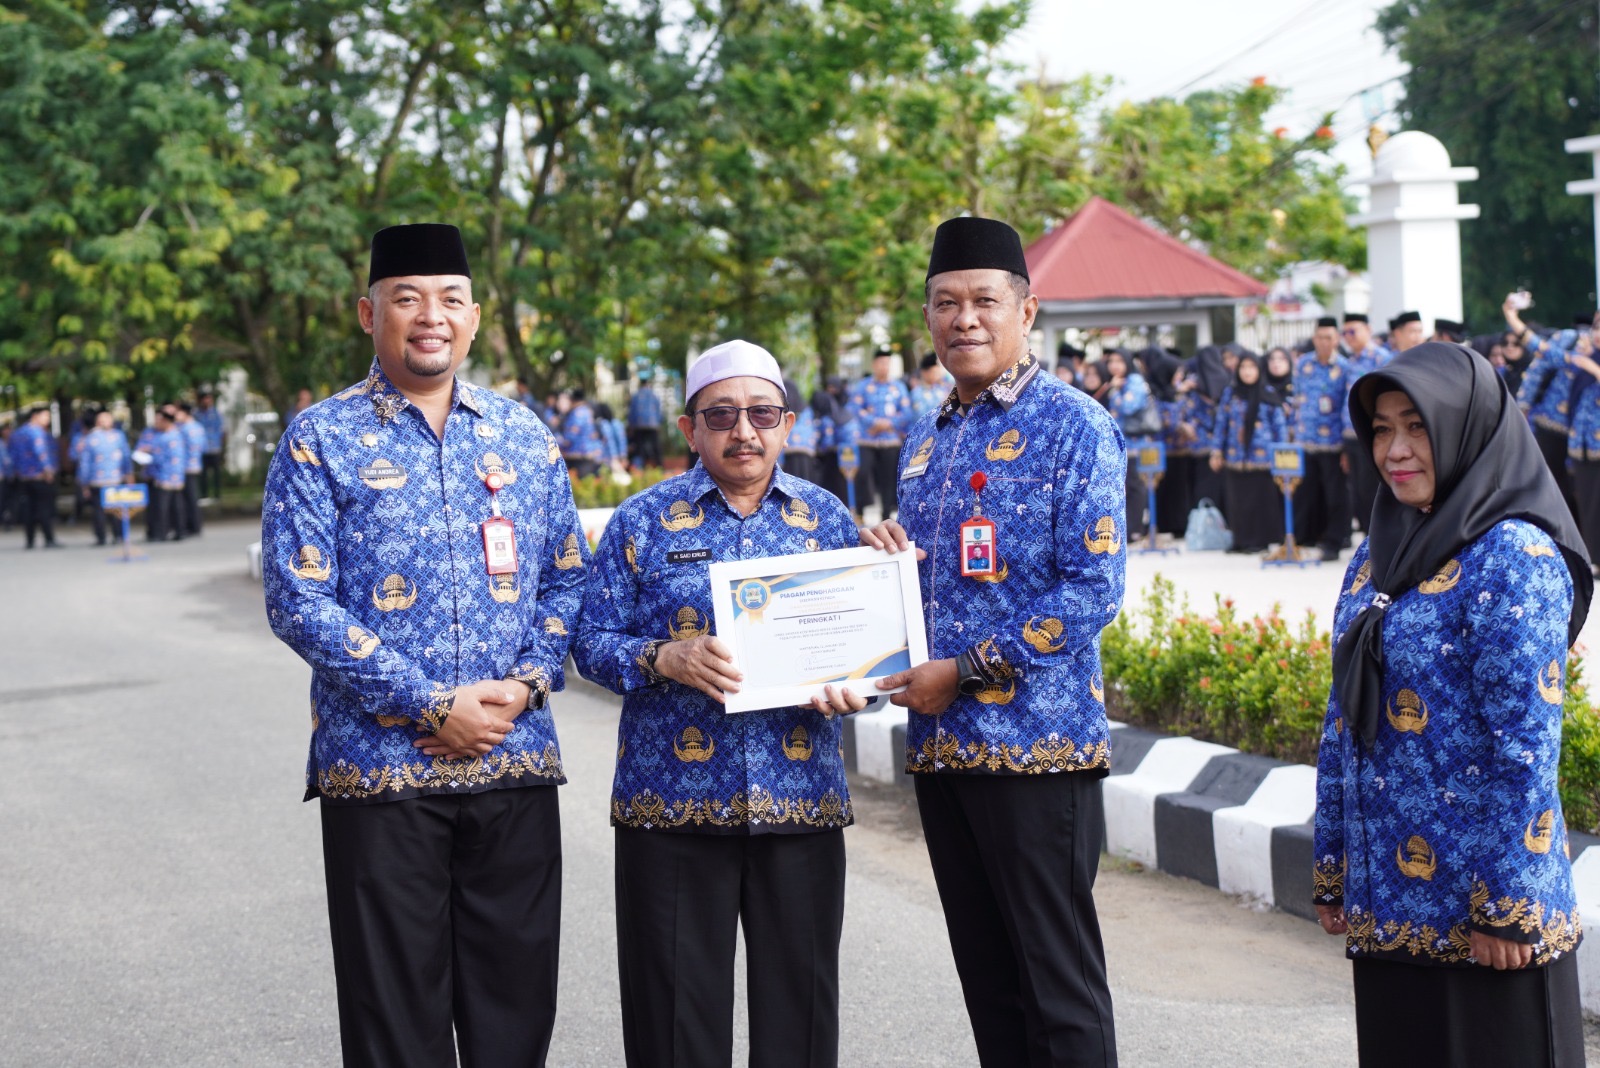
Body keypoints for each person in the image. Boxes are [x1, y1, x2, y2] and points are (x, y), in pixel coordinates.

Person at [261, 223, 587, 1068]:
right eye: (407, 298)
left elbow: (567, 580)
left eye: (449, 299)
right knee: (393, 1019)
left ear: (474, 318)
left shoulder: (523, 435)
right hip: (382, 772)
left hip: (513, 757)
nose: (430, 316)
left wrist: (526, 684)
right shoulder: (318, 439)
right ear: (368, 314)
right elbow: (297, 599)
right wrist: (431, 705)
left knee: (515, 1009)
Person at [864, 216, 1124, 1067]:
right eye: (946, 303)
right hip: (943, 749)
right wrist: (882, 562)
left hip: (1036, 749)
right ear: (928, 318)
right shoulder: (927, 437)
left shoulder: (1074, 425)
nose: (964, 319)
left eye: (984, 300)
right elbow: (931, 581)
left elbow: (1092, 589)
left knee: (1057, 985)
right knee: (990, 982)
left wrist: (969, 670)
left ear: (1027, 310)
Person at [574, 340, 864, 1068]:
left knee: (800, 1019)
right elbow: (588, 642)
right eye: (722, 415)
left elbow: (856, 647)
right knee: (673, 1024)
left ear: (787, 425)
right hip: (670, 807)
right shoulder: (641, 522)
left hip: (799, 801)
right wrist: (661, 657)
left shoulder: (827, 519)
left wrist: (853, 684)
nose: (744, 431)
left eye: (762, 413)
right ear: (689, 429)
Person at [1316, 342, 1591, 1067]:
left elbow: (1525, 747)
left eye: (1418, 427)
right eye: (1381, 429)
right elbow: (1343, 718)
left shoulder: (1514, 557)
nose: (1395, 451)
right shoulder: (1376, 553)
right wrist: (1334, 865)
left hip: (1485, 923)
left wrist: (1506, 906)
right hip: (1390, 909)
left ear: (1466, 430)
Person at [1507, 299, 1581, 517]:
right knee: (1552, 489)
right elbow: (1540, 360)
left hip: (1586, 440)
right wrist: (1522, 408)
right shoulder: (1571, 342)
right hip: (1551, 425)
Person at [1208, 352, 1286, 553]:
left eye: (1252, 367)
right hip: (1236, 456)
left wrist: (1282, 455)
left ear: (1259, 369)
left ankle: (1260, 541)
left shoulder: (1268, 393)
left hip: (1263, 459)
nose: (1247, 372)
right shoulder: (1231, 393)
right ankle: (1241, 540)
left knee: (1260, 501)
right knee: (1238, 501)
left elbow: (1279, 427)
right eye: (1243, 367)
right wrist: (1216, 451)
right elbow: (1221, 424)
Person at [1292, 317, 1352, 561]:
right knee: (1306, 493)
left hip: (1333, 443)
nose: (1324, 342)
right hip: (1306, 440)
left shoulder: (1345, 367)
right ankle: (1304, 538)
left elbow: (1347, 407)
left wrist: (1347, 447)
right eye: (1320, 337)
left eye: (1329, 337)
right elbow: (1296, 400)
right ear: (1314, 338)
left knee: (1334, 495)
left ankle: (1333, 542)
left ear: (1336, 339)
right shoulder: (1303, 364)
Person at [1338, 313, 1393, 534]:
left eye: (1353, 331)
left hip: (1371, 434)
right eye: (1345, 332)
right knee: (1357, 491)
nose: (1348, 336)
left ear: (1368, 330)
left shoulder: (1381, 358)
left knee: (1372, 490)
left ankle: (1377, 538)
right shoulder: (1350, 361)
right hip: (1350, 435)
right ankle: (1366, 539)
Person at [848, 345, 912, 519]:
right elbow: (856, 408)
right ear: (874, 364)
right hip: (867, 440)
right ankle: (860, 512)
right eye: (881, 363)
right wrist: (874, 422)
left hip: (890, 440)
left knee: (888, 479)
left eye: (887, 363)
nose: (884, 367)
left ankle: (886, 515)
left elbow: (907, 412)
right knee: (862, 473)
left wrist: (888, 423)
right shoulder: (863, 386)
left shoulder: (898, 387)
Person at [1104, 347, 1155, 543]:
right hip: (1122, 442)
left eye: (1119, 361)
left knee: (1135, 486)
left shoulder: (1134, 381)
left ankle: (1135, 529)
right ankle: (1128, 528)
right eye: (1111, 361)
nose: (1114, 365)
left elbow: (1129, 406)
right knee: (1125, 486)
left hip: (1136, 444)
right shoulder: (1118, 382)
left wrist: (1115, 391)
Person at [77, 410, 132, 545]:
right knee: (106, 510)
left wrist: (128, 474)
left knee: (109, 510)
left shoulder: (90, 438)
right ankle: (112, 536)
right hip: (104, 480)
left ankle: (107, 537)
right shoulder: (115, 436)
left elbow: (125, 457)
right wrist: (84, 482)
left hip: (110, 479)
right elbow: (85, 462)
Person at [10, 406, 59, 549]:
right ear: (35, 416)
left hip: (23, 478)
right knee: (44, 509)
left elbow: (12, 455)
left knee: (28, 509)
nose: (48, 419)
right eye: (45, 416)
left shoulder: (18, 433)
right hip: (40, 477)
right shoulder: (38, 432)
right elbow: (41, 453)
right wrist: (48, 471)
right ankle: (49, 539)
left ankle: (30, 540)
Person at [136, 406, 186, 542]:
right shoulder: (171, 434)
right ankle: (175, 531)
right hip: (169, 475)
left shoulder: (168, 436)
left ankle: (165, 532)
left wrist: (150, 451)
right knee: (171, 505)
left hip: (166, 475)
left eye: (160, 420)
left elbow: (161, 457)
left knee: (165, 506)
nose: (157, 423)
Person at [174, 401, 206, 535]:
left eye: (177, 412)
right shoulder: (197, 427)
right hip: (192, 465)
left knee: (189, 498)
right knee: (189, 497)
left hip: (186, 467)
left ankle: (193, 526)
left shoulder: (186, 428)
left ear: (184, 413)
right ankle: (193, 525)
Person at [558, 387, 604, 478]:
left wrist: (558, 444)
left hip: (579, 457)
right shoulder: (587, 411)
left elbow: (571, 437)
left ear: (572, 400)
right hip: (590, 454)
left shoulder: (576, 414)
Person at [626, 373, 664, 468]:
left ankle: (642, 467)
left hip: (639, 425)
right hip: (653, 424)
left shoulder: (636, 396)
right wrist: (659, 422)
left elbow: (632, 412)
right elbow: (659, 410)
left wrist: (631, 425)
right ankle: (660, 466)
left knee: (640, 447)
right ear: (648, 383)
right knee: (655, 446)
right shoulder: (654, 395)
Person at [194, 391, 226, 500]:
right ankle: (204, 494)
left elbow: (223, 430)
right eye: (205, 399)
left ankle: (217, 494)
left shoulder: (217, 413)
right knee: (202, 473)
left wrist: (222, 447)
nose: (207, 401)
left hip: (215, 447)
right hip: (202, 448)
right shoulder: (196, 414)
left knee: (216, 472)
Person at [912, 351, 953, 419]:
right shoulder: (917, 393)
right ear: (924, 372)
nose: (938, 375)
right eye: (935, 372)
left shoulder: (940, 388)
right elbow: (920, 415)